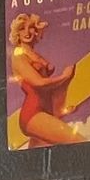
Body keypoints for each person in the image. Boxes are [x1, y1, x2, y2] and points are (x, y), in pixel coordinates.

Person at [8, 11, 82, 146]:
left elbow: (47, 91)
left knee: (37, 161)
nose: (27, 32)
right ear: (17, 33)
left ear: (36, 31)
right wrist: (64, 77)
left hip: (47, 111)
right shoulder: (18, 55)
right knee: (78, 141)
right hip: (33, 114)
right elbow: (39, 83)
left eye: (30, 27)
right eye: (22, 28)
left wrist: (59, 110)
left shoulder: (33, 54)